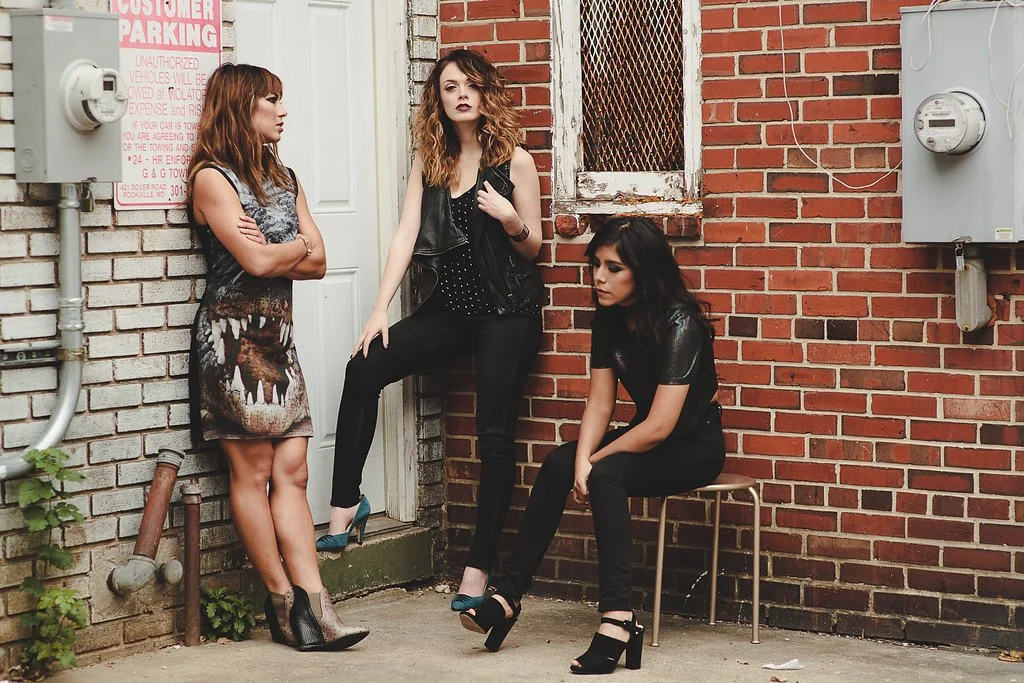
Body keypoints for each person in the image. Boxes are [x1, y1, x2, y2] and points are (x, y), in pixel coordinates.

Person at [317, 49, 544, 614]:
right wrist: (378, 313)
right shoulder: (433, 160)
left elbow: (535, 245)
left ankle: (477, 567)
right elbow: (405, 235)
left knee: (493, 436)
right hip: (452, 310)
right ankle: (346, 505)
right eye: (449, 86)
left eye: (470, 84)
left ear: (487, 93)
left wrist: (510, 219)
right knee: (364, 365)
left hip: (507, 313)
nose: (460, 94)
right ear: (437, 100)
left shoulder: (513, 160)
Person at [459, 217, 725, 675]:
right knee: (561, 461)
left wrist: (596, 461)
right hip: (648, 436)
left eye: (613, 268)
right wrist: (581, 459)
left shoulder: (681, 324)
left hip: (694, 445)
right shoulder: (608, 319)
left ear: (644, 271)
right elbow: (600, 404)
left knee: (603, 473)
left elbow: (661, 425)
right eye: (595, 264)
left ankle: (619, 618)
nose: (599, 277)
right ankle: (506, 597)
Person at [186, 62, 369, 652]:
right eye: (272, 99)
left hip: (278, 336)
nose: (283, 110)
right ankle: (284, 605)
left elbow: (318, 261)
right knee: (256, 471)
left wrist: (279, 248)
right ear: (242, 107)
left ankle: (320, 607)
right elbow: (263, 263)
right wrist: (290, 248)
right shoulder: (212, 178)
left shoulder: (285, 178)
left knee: (294, 469)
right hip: (232, 337)